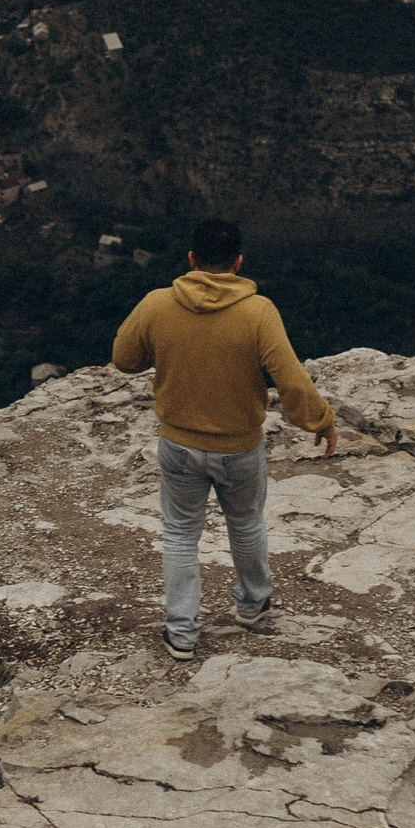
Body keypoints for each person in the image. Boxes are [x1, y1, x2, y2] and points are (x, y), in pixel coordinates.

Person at [110, 219, 336, 661]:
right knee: (246, 523)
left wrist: (171, 349)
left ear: (191, 259)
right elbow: (290, 378)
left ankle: (181, 633)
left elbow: (124, 358)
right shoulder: (258, 312)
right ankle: (252, 606)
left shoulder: (157, 304)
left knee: (180, 533)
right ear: (238, 263)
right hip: (238, 446)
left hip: (178, 445)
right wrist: (319, 421)